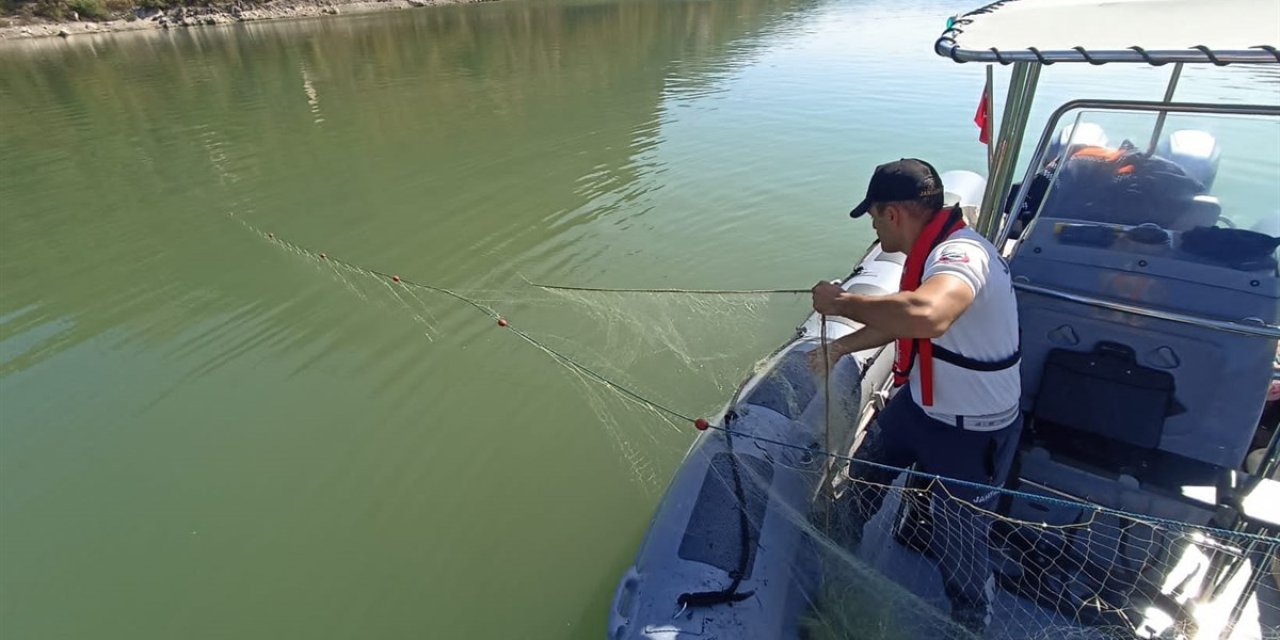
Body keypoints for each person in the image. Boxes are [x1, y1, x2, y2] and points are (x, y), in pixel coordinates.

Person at [808, 158, 1023, 634]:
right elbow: (903, 321)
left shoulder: (962, 256)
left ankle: (970, 617)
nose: (873, 226)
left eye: (872, 216)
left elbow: (926, 316)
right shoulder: (928, 253)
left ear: (893, 214)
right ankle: (832, 562)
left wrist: (840, 302)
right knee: (864, 476)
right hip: (920, 404)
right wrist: (842, 345)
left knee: (959, 541)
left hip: (970, 428)